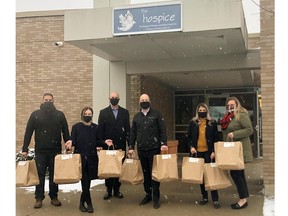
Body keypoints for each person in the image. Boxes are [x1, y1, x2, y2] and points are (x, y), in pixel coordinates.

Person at [21, 93, 72, 209]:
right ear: (42, 100)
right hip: (40, 151)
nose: (48, 101)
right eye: (46, 100)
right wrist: (25, 148)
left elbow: (65, 131)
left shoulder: (60, 115)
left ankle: (54, 196)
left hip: (55, 151)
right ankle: (39, 198)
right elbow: (28, 132)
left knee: (55, 175)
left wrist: (68, 144)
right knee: (40, 176)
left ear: (53, 101)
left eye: (50, 100)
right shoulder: (35, 115)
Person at [128, 94, 168, 209]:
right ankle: (147, 194)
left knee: (154, 174)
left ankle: (156, 198)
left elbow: (162, 130)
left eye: (146, 100)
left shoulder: (156, 114)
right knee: (146, 174)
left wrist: (163, 143)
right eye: (142, 100)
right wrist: (131, 146)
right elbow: (133, 133)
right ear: (139, 102)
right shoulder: (136, 117)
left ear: (150, 102)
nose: (144, 102)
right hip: (142, 149)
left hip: (154, 149)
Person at [220, 96, 253, 209]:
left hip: (239, 150)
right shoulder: (228, 117)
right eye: (228, 106)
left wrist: (235, 134)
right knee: (238, 175)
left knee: (237, 174)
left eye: (232, 105)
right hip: (231, 150)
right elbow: (225, 133)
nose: (230, 107)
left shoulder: (241, 114)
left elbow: (249, 130)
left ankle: (243, 200)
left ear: (237, 105)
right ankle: (244, 198)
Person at [187, 103, 220, 209]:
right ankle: (204, 197)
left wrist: (214, 151)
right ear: (197, 112)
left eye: (203, 110)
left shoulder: (212, 123)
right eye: (200, 110)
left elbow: (216, 138)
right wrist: (191, 146)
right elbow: (188, 137)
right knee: (201, 176)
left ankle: (215, 199)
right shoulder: (193, 123)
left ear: (207, 111)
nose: (202, 112)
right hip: (198, 153)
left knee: (211, 175)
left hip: (209, 153)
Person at [98, 91, 130, 200]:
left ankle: (117, 190)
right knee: (108, 168)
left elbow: (128, 130)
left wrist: (130, 145)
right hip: (108, 145)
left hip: (120, 145)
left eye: (116, 97)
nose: (114, 99)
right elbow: (100, 131)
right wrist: (102, 142)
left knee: (118, 168)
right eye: (112, 97)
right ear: (109, 98)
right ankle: (108, 190)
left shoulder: (125, 112)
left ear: (119, 99)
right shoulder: (103, 113)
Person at [71, 106, 103, 213]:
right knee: (84, 182)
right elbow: (73, 141)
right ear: (82, 114)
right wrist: (69, 143)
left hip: (92, 159)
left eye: (90, 114)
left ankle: (81, 203)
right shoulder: (76, 127)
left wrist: (105, 142)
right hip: (80, 159)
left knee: (87, 183)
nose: (88, 116)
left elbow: (98, 141)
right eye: (86, 114)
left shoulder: (95, 127)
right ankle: (89, 204)